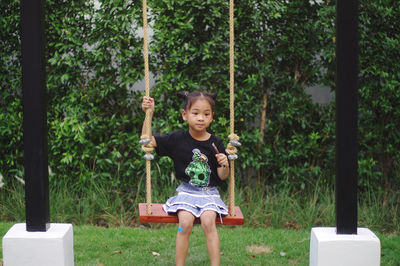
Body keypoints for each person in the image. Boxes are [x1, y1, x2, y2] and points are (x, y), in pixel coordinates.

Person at [141, 91, 229, 266]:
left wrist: (225, 164)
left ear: (212, 117)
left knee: (208, 222)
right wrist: (148, 114)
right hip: (186, 192)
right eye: (195, 113)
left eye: (206, 114)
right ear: (185, 115)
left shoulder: (216, 143)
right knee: (184, 223)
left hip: (209, 194)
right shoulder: (176, 139)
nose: (200, 118)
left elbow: (222, 176)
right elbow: (146, 141)